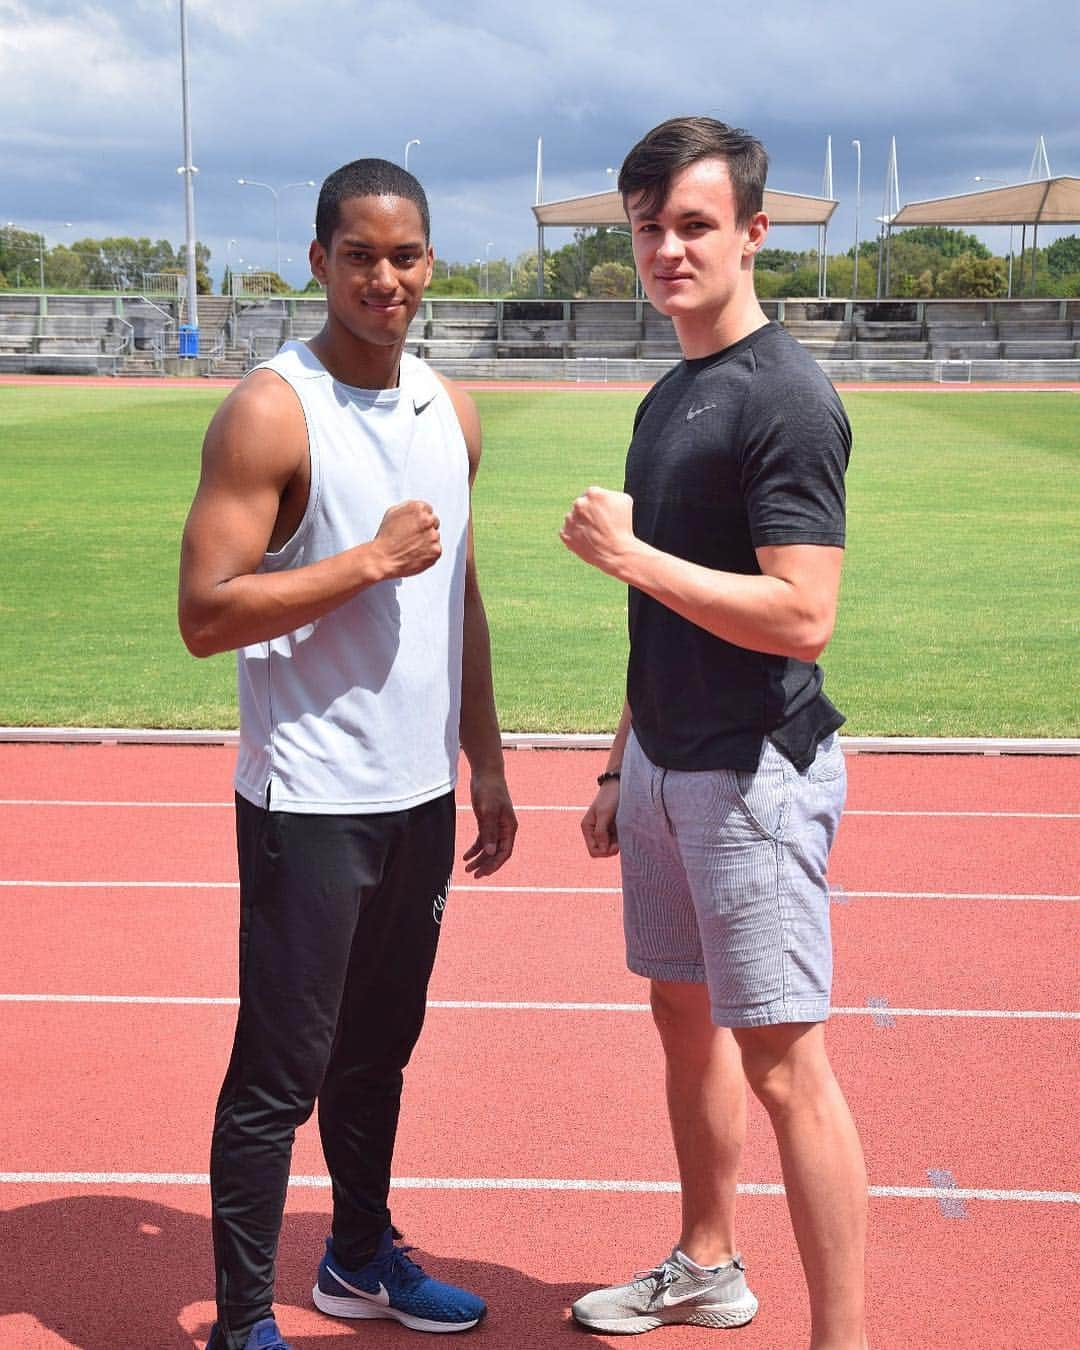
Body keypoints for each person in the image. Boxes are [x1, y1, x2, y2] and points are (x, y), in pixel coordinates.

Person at [178, 158, 517, 1350]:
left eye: (407, 254)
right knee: (278, 1074)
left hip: (417, 794)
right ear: (318, 261)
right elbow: (205, 614)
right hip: (308, 798)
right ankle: (237, 1322)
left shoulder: (451, 410)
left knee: (379, 1058)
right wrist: (362, 562)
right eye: (361, 254)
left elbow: (460, 598)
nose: (387, 277)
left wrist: (486, 761)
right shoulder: (274, 408)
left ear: (431, 262)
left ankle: (358, 1258)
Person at [560, 117, 867, 1349]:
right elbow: (662, 604)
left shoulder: (785, 396)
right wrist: (616, 755)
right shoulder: (670, 391)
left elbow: (804, 613)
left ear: (752, 234)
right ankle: (707, 1263)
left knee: (786, 1066)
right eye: (649, 227)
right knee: (680, 1020)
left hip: (755, 772)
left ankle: (839, 1339)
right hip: (666, 762)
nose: (667, 249)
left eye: (693, 225)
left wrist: (632, 552)